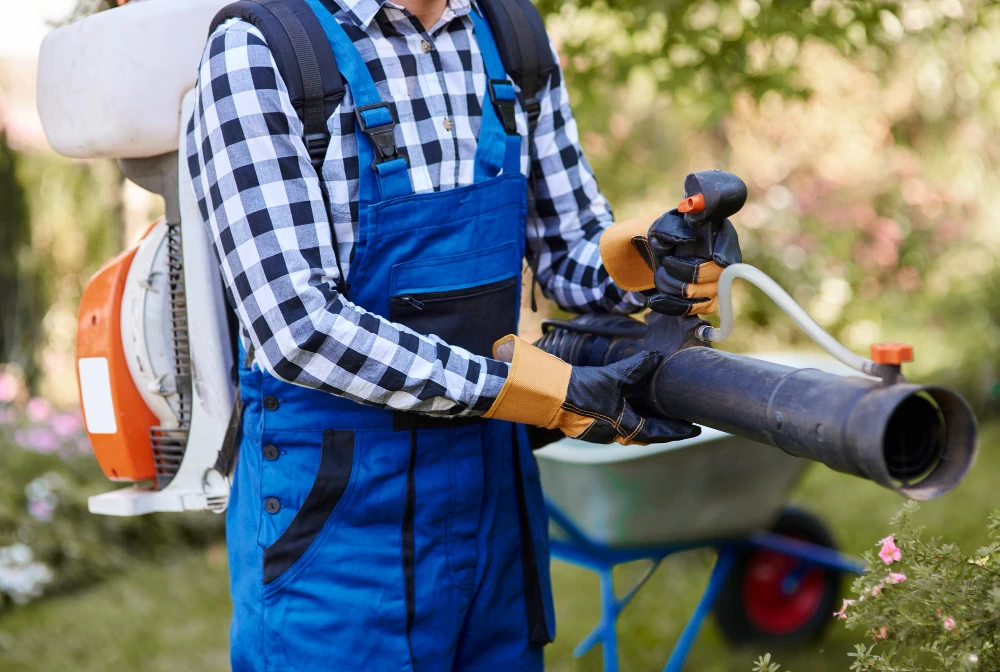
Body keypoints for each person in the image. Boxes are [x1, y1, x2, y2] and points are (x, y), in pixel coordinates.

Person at [186, 0, 741, 668]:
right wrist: (538, 391)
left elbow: (568, 251)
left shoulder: (511, 36)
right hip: (336, 519)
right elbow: (297, 327)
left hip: (490, 508)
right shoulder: (264, 51)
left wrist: (652, 260)